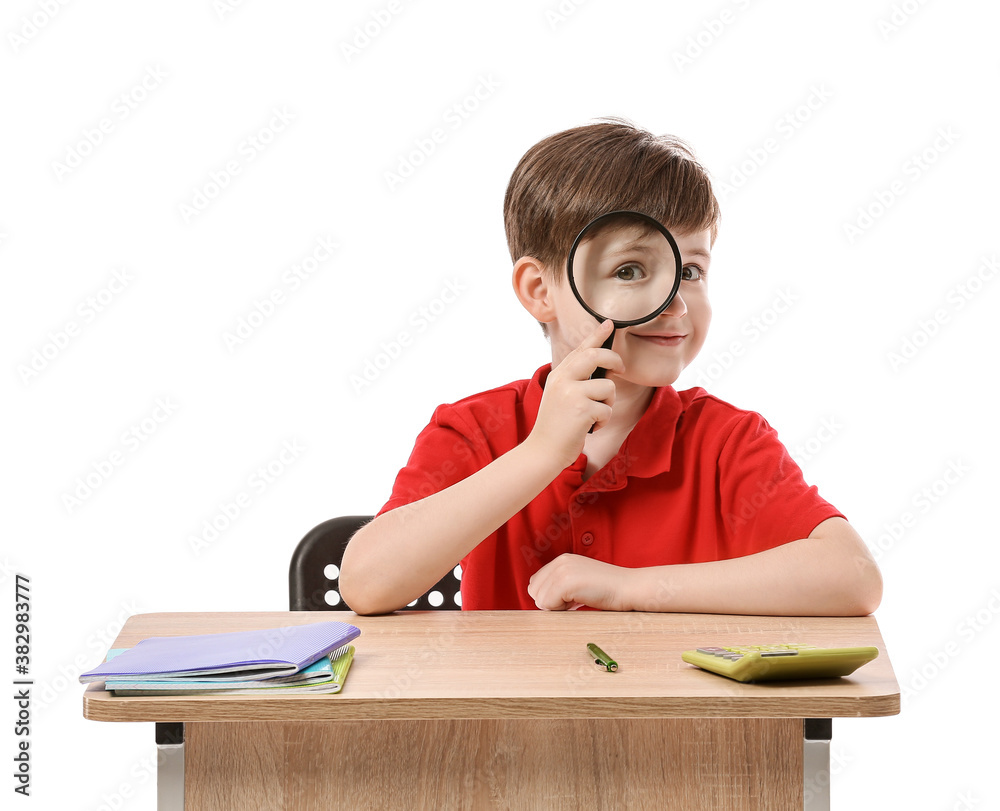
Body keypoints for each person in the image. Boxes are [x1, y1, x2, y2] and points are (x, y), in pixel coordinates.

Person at [340, 118, 882, 617]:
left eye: (690, 270)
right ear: (540, 291)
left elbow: (854, 579)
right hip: (515, 723)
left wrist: (629, 588)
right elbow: (367, 584)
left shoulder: (727, 442)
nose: (674, 302)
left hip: (678, 724)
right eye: (630, 269)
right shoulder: (476, 431)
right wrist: (544, 451)